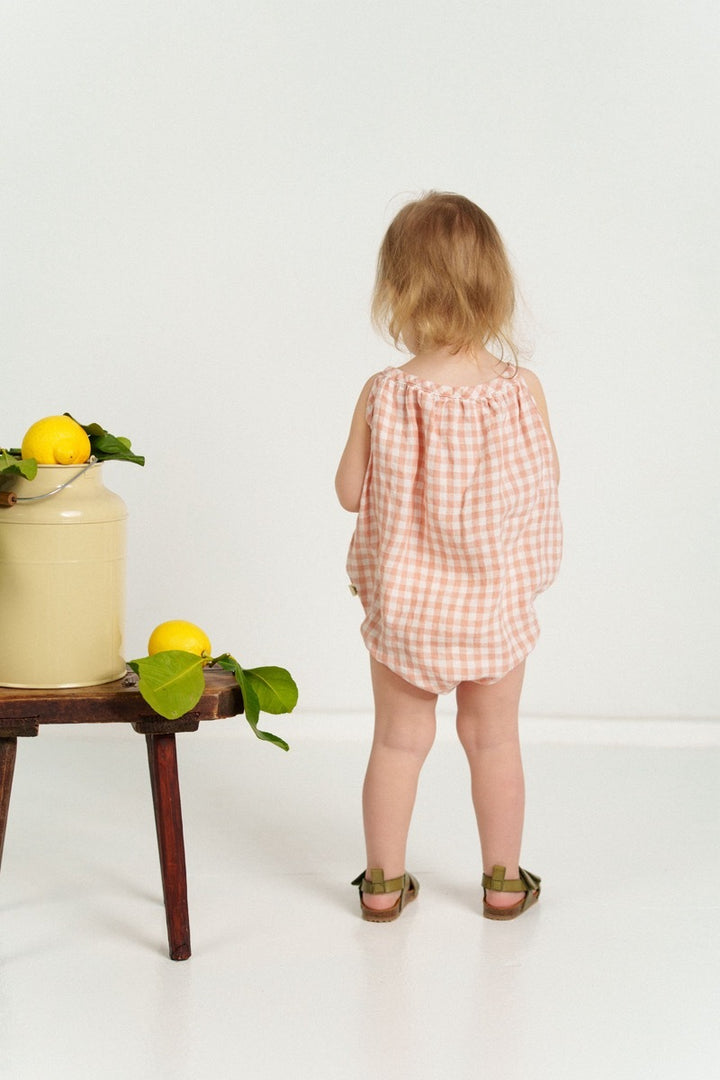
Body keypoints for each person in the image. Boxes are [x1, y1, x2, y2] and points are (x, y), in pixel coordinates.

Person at [335, 192, 562, 922]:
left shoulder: (385, 393)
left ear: (397, 288)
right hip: (493, 606)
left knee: (398, 744)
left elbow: (348, 493)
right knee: (493, 742)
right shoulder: (520, 392)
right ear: (494, 286)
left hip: (408, 607)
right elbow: (546, 482)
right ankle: (503, 883)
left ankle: (381, 886)